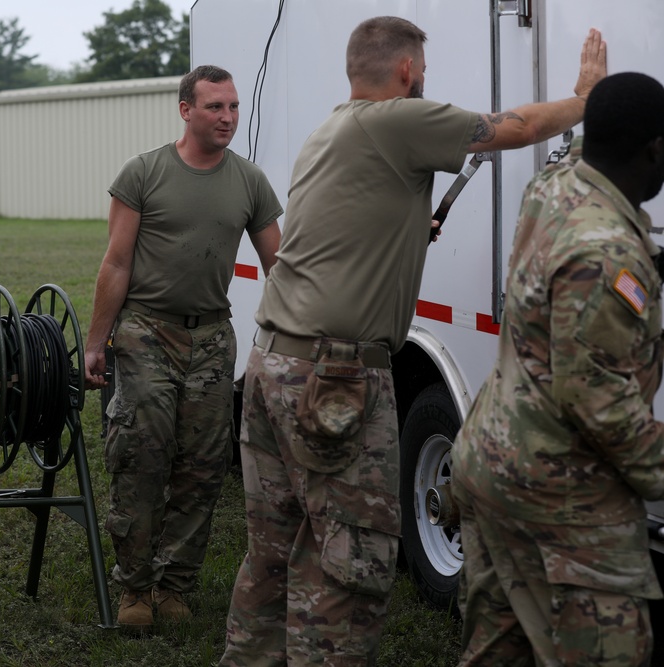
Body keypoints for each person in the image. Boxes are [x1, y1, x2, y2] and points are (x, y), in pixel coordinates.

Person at [220, 16, 607, 666]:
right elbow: (515, 128)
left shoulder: (332, 129)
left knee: (275, 550)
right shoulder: (400, 120)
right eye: (421, 69)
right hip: (333, 377)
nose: (424, 79)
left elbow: (344, 225)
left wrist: (401, 229)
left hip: (272, 362)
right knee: (349, 565)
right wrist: (586, 95)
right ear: (406, 70)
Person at [451, 72, 664, 667]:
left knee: (500, 651)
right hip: (561, 495)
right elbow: (599, 403)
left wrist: (584, 98)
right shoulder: (605, 251)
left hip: (493, 465)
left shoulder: (556, 189)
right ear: (654, 149)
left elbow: (555, 169)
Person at [83, 64, 283, 628]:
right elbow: (116, 263)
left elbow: (280, 266)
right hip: (147, 329)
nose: (228, 117)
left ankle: (174, 587)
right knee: (141, 455)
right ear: (186, 109)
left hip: (213, 336)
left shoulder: (248, 180)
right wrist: (97, 344)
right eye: (215, 107)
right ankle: (134, 588)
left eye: (234, 107)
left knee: (202, 466)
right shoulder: (143, 173)